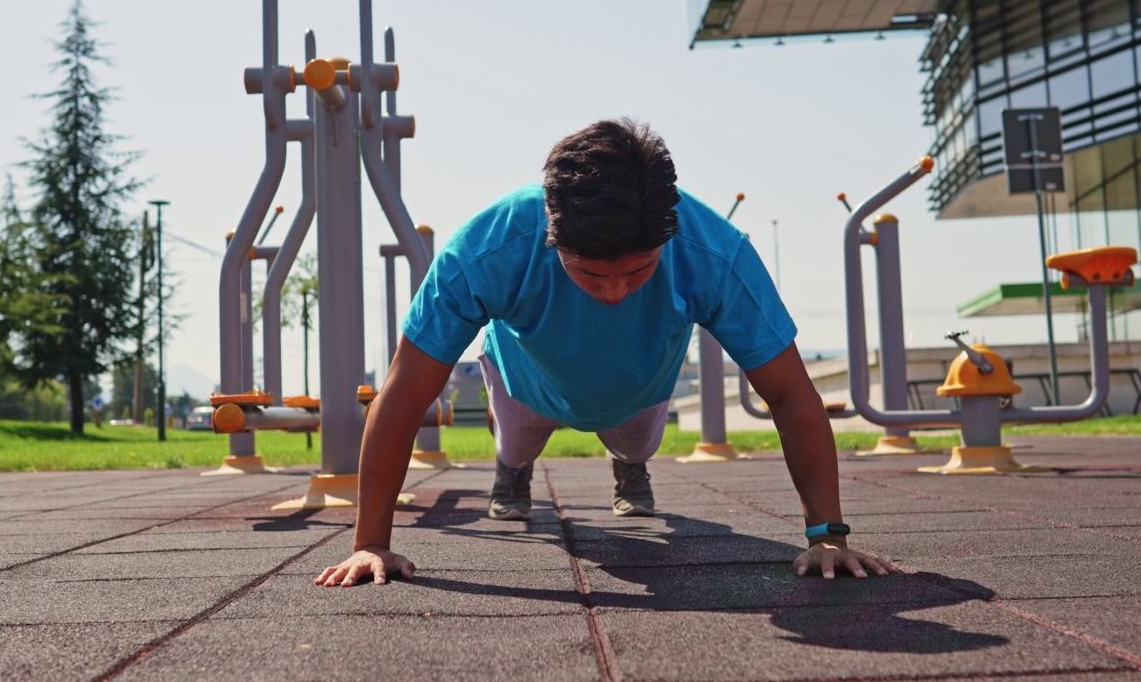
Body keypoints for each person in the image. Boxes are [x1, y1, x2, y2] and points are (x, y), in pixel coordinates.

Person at [316, 118, 897, 588]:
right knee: (515, 445)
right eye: (592, 275)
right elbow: (406, 390)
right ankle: (510, 473)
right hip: (525, 384)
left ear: (665, 238)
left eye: (638, 271)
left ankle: (629, 466)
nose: (615, 292)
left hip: (636, 392)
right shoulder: (491, 246)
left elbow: (791, 394)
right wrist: (370, 542)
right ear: (552, 230)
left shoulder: (713, 254)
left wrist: (828, 535)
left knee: (635, 442)